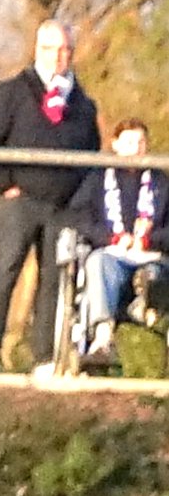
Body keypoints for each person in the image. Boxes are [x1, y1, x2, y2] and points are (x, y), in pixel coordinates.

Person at [0, 21, 104, 377]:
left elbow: (94, 156)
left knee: (54, 281)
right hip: (20, 201)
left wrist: (79, 199)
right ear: (37, 50)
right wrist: (6, 183)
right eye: (50, 49)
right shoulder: (11, 93)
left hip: (64, 208)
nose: (58, 58)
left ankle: (44, 357)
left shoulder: (83, 104)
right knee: (4, 270)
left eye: (64, 50)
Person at [69, 120, 159, 372]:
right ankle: (103, 335)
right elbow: (81, 218)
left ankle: (145, 299)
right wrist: (113, 239)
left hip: (152, 256)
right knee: (98, 262)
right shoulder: (98, 179)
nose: (135, 148)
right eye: (129, 142)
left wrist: (149, 238)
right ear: (116, 145)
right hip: (112, 254)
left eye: (141, 142)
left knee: (154, 273)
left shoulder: (161, 181)